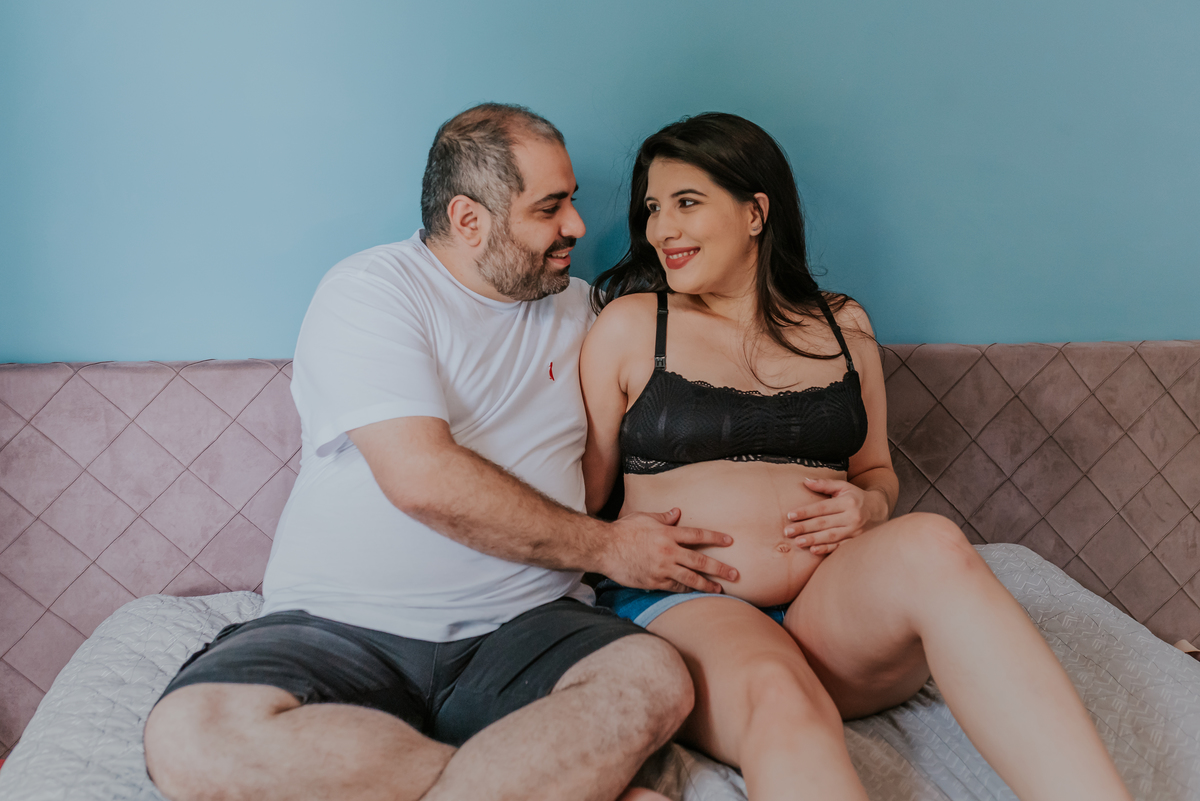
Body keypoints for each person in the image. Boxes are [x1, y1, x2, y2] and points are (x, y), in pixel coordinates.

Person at [142, 103, 740, 801]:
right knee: (193, 735)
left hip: (528, 627)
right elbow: (422, 477)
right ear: (468, 220)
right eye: (551, 209)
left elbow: (718, 381)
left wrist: (860, 485)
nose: (577, 226)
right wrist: (609, 548)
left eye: (571, 202)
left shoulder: (588, 311)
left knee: (653, 682)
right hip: (343, 624)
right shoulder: (372, 292)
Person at [581, 112, 1133, 801]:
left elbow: (877, 472)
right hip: (695, 605)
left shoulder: (843, 325)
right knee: (779, 691)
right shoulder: (632, 326)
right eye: (653, 209)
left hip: (832, 614)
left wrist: (870, 504)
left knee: (935, 540)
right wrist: (614, 541)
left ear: (755, 212)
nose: (663, 229)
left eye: (687, 203)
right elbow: (585, 500)